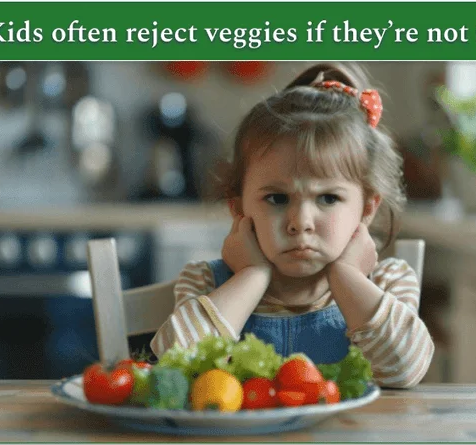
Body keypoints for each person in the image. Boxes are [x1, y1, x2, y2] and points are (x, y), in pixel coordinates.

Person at [150, 63, 434, 388]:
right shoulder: (204, 282)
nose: (300, 223)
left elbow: (405, 372)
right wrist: (251, 277)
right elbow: (171, 370)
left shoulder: (388, 282)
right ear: (239, 207)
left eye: (328, 198)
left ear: (366, 209)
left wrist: (346, 277)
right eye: (277, 199)